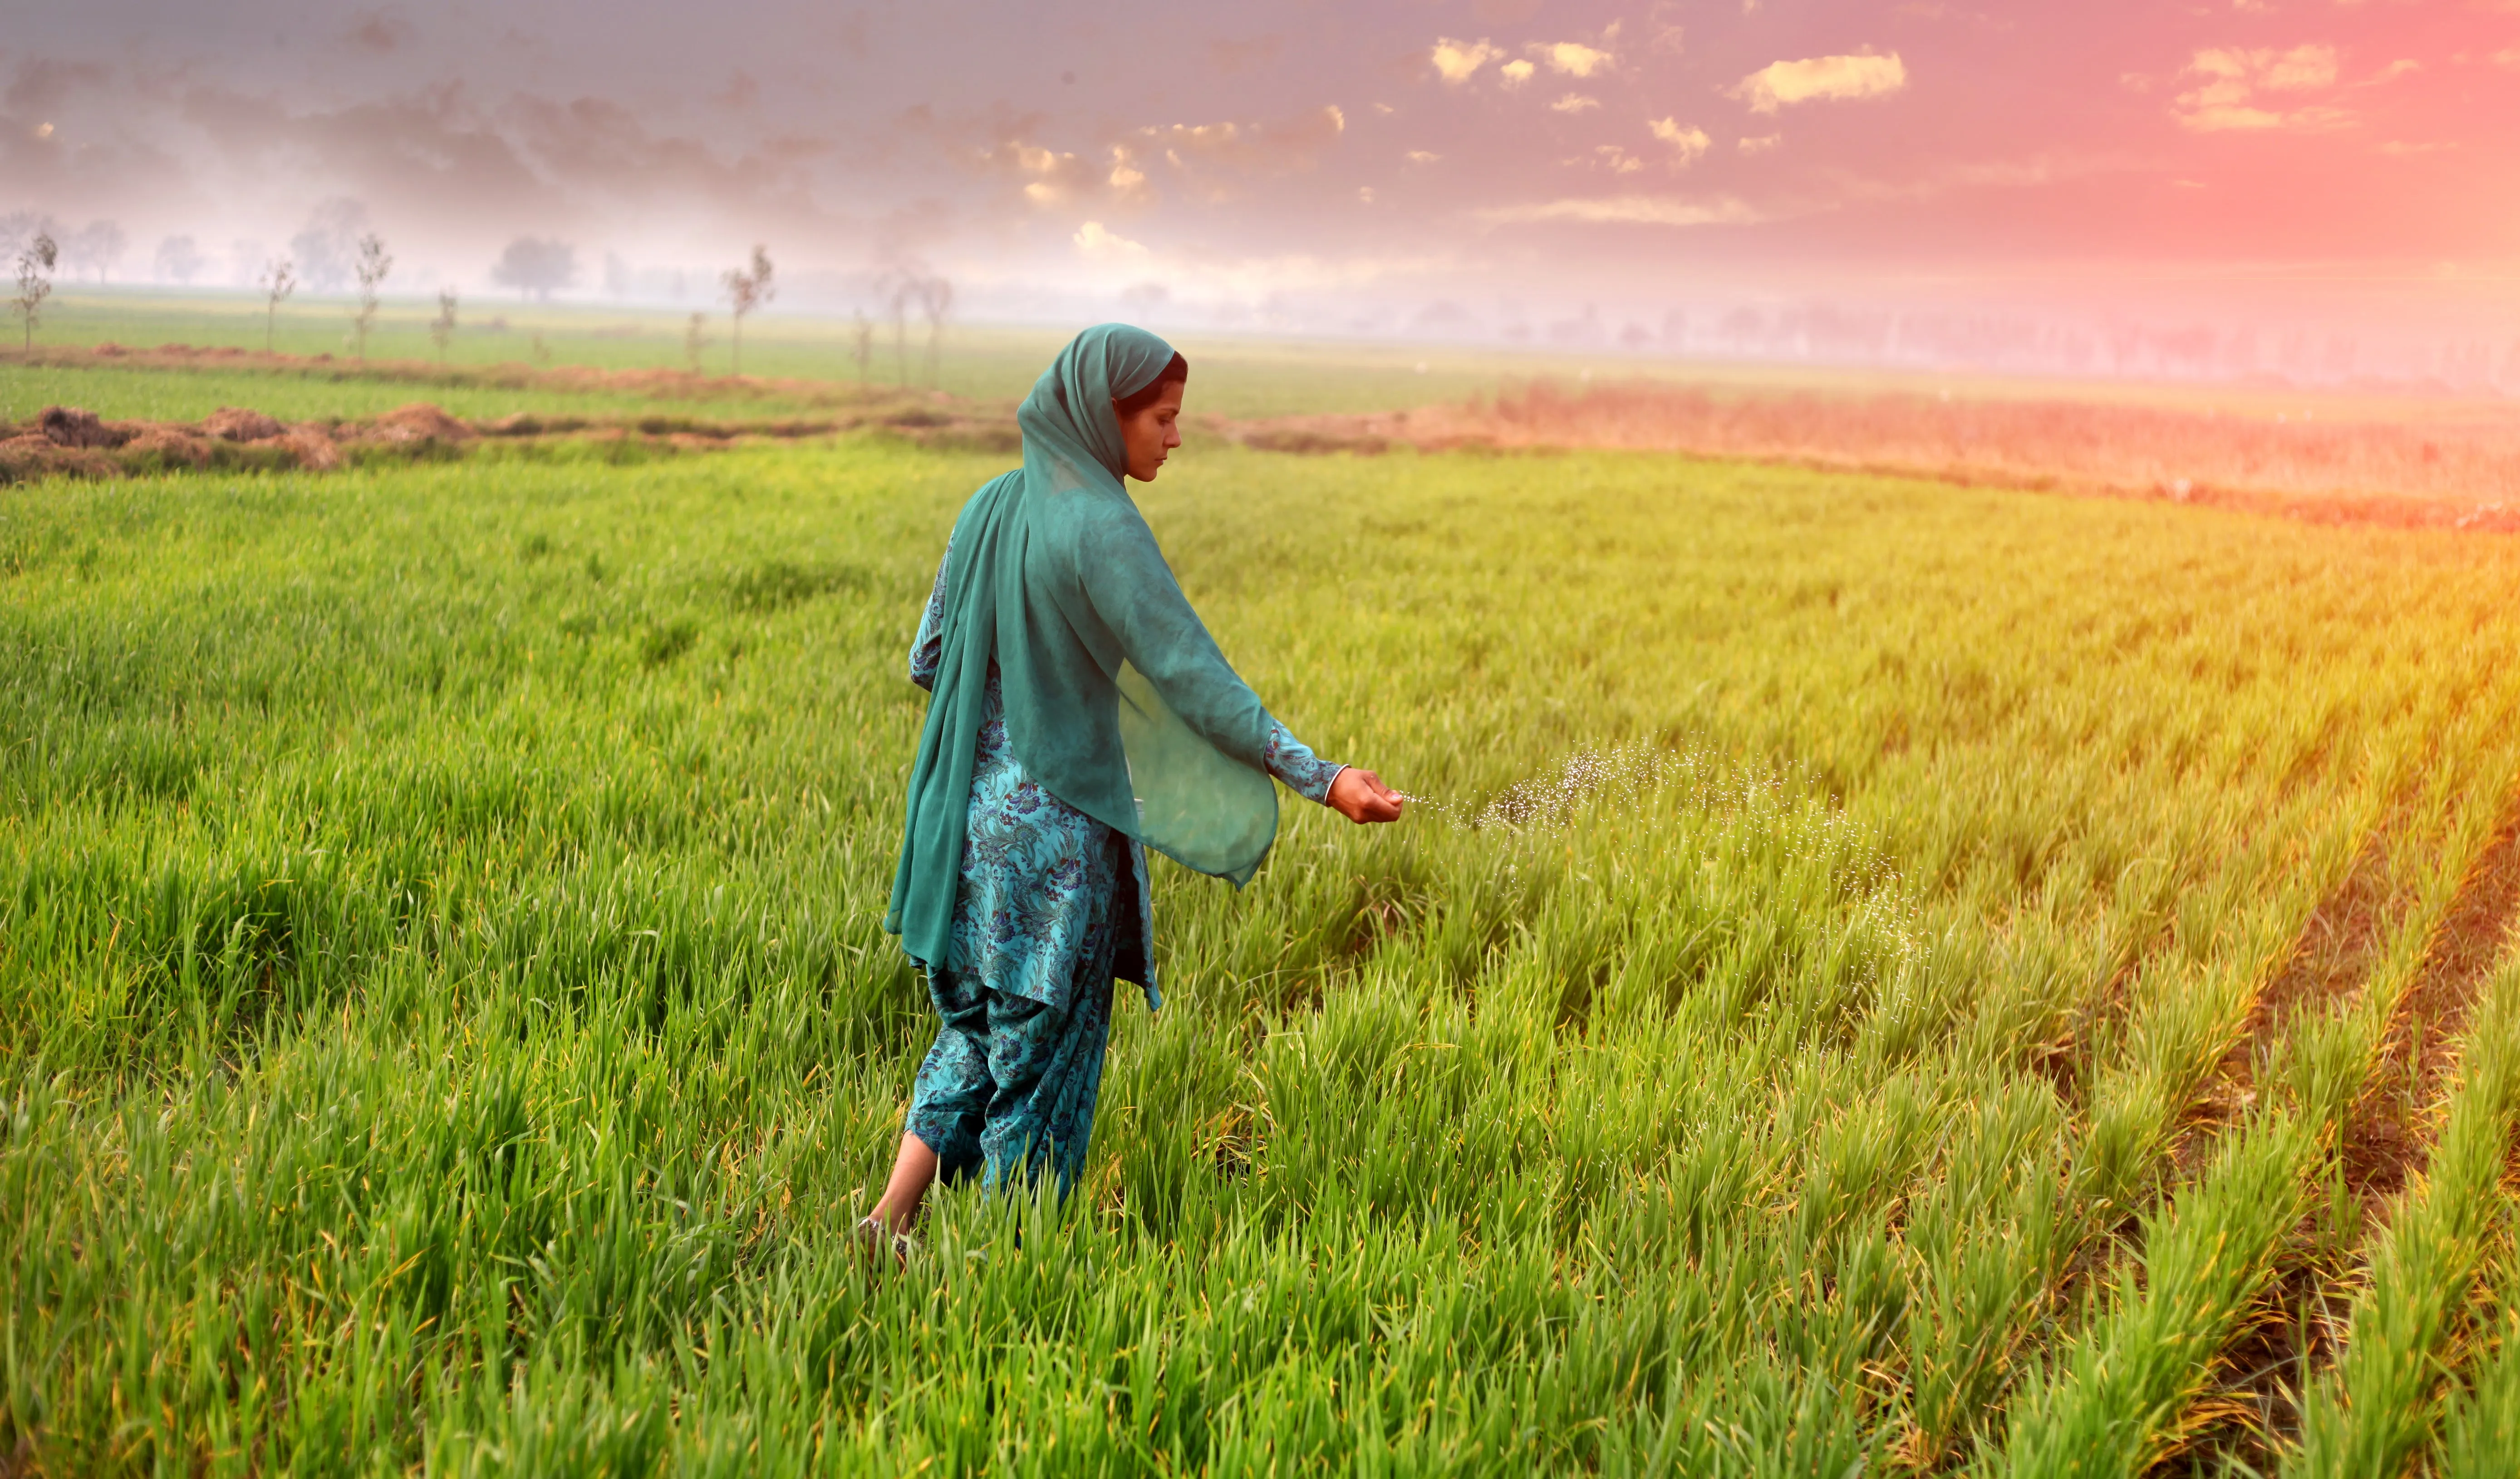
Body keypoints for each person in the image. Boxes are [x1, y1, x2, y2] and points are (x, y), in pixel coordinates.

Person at [865, 324, 1403, 1254]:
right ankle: (995, 1287)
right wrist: (1325, 778)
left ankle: (885, 1221)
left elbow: (929, 659)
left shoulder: (990, 505)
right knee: (1038, 1082)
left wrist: (1015, 691)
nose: (1174, 437)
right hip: (1050, 866)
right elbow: (1197, 682)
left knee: (979, 1037)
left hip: (959, 834)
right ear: (1101, 414)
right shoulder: (1103, 526)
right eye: (1161, 418)